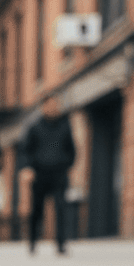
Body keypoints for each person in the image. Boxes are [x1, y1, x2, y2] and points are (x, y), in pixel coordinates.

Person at [21, 95, 76, 254]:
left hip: (59, 174)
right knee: (37, 210)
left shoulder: (65, 126)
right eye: (49, 105)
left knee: (61, 208)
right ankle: (32, 241)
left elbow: (71, 149)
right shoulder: (34, 127)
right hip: (39, 174)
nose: (52, 108)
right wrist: (27, 168)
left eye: (55, 105)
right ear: (43, 107)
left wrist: (67, 164)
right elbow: (25, 150)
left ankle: (61, 244)